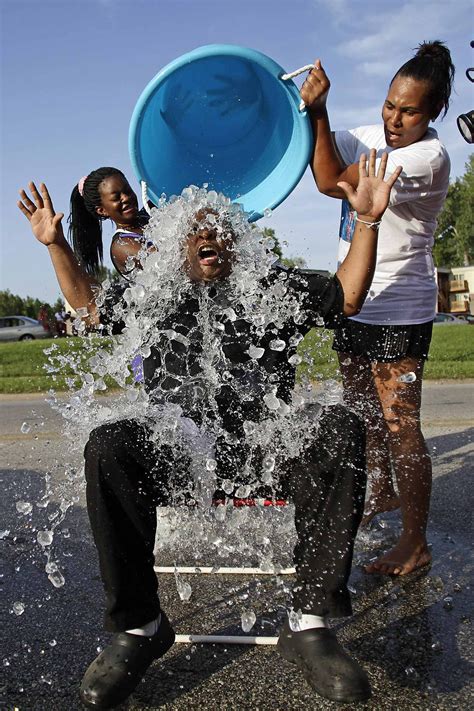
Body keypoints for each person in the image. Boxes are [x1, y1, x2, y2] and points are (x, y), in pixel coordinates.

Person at [18, 151, 401, 708]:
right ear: (176, 246)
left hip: (266, 450)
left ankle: (309, 621)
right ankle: (141, 628)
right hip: (182, 456)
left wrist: (366, 221)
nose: (209, 236)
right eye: (196, 230)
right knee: (110, 443)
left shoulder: (270, 289)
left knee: (338, 425)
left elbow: (345, 295)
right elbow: (91, 310)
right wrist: (56, 243)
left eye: (220, 228)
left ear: (237, 242)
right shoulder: (158, 293)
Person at [300, 41, 455, 577]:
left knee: (399, 426)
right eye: (390, 104)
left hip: (399, 309)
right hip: (355, 299)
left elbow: (330, 181)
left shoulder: (426, 159)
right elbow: (310, 145)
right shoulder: (371, 135)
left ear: (431, 113)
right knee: (362, 414)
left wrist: (320, 112)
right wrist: (298, 108)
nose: (394, 118)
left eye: (409, 110)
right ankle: (381, 491)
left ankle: (416, 543)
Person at [68, 167, 151, 278]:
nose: (126, 198)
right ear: (102, 210)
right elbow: (171, 264)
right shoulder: (121, 245)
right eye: (116, 198)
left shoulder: (151, 210)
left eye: (128, 191)